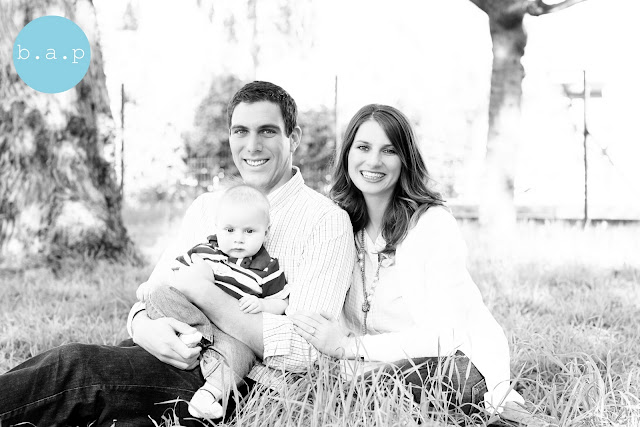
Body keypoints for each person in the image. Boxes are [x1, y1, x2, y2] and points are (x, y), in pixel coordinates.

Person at [0, 81, 355, 426]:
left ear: (294, 137)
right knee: (70, 379)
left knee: (75, 369)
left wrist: (205, 294)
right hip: (175, 350)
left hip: (239, 382)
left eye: (267, 131)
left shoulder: (324, 221)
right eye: (240, 131)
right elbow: (154, 290)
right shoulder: (207, 207)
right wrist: (144, 328)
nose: (252, 145)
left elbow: (308, 350)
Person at [291, 104, 525, 419]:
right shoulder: (339, 224)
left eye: (389, 150)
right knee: (319, 389)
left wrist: (348, 347)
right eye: (363, 147)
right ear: (347, 154)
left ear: (405, 159)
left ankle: (505, 413)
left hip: (454, 363)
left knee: (360, 392)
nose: (373, 161)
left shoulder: (431, 224)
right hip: (371, 368)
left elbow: (444, 337)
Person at [137, 184, 289, 418]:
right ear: (217, 227)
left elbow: (282, 303)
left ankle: (207, 396)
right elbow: (174, 275)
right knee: (160, 295)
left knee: (243, 357)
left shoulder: (268, 269)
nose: (238, 239)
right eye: (229, 230)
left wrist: (262, 305)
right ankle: (191, 336)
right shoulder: (204, 252)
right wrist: (151, 286)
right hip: (191, 318)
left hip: (230, 334)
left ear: (266, 233)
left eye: (249, 231)